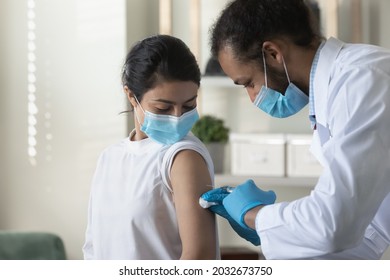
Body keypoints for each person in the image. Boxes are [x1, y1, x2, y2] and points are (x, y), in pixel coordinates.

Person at [201, 0, 390, 259]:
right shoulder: (334, 93)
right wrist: (276, 231)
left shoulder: (362, 80)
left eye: (249, 83)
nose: (252, 96)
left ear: (273, 54)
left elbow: (334, 224)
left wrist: (253, 215)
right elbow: (366, 230)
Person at [83, 35, 219, 260]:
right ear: (131, 96)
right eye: (163, 108)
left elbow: (198, 257)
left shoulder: (183, 156)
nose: (177, 117)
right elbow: (94, 247)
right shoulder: (109, 158)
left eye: (189, 105)